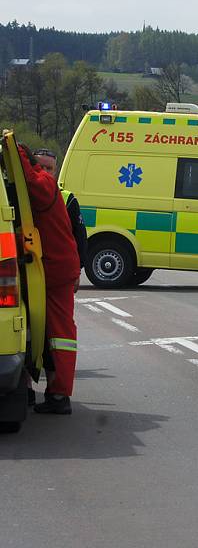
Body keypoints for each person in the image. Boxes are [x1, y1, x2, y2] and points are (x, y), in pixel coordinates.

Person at [18, 145, 81, 414]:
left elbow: (31, 181)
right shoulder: (41, 182)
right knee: (36, 331)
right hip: (49, 269)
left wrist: (16, 151)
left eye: (49, 167)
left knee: (59, 335)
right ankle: (36, 391)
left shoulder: (42, 183)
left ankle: (59, 396)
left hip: (53, 271)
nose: (45, 171)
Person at [33, 149, 87, 290]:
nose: (44, 171)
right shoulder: (18, 194)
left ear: (55, 171)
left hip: (57, 270)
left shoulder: (68, 199)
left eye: (49, 168)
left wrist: (77, 271)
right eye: (40, 167)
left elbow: (80, 237)